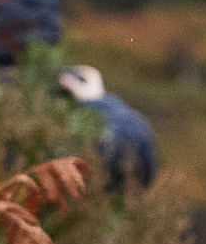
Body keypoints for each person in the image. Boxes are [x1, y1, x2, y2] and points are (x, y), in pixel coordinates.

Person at [56, 63, 158, 191]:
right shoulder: (134, 118)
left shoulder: (85, 116)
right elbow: (149, 165)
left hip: (102, 181)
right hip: (135, 183)